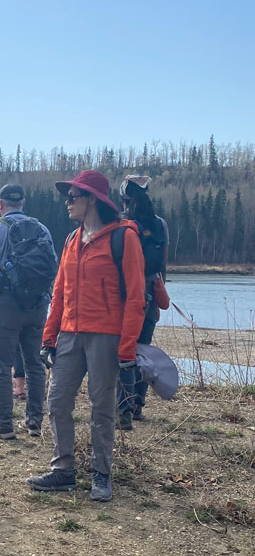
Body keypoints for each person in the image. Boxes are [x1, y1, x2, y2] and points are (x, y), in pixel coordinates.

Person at [27, 170, 145, 502]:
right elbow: (60, 293)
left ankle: (101, 475)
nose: (67, 202)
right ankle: (63, 471)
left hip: (106, 337)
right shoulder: (70, 240)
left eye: (73, 197)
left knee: (102, 407)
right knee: (57, 401)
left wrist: (127, 348)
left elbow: (136, 298)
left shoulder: (125, 237)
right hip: (69, 334)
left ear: (92, 199)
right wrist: (49, 337)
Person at [0, 184, 57, 440]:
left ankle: (4, 424)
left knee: (1, 365)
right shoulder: (42, 229)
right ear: (23, 203)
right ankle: (34, 423)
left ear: (0, 204)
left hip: (5, 306)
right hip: (38, 305)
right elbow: (51, 268)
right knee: (35, 364)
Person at [116, 175, 169, 428]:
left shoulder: (121, 224)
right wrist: (159, 301)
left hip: (125, 296)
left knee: (123, 352)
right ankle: (137, 405)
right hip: (150, 294)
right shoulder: (160, 225)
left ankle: (122, 409)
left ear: (124, 198)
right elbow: (162, 267)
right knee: (143, 351)